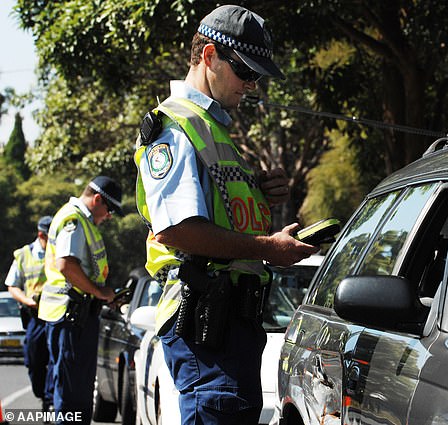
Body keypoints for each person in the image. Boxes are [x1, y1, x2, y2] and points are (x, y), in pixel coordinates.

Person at [134, 4, 319, 425]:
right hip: (205, 320)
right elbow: (179, 230)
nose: (252, 85)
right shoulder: (175, 127)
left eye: (257, 76)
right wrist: (268, 247)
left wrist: (261, 196)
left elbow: (218, 214)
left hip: (230, 320)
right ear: (209, 56)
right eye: (245, 71)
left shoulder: (212, 127)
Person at [37, 176, 122, 425]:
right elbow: (66, 265)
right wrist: (99, 292)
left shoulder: (82, 220)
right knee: (72, 394)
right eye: (110, 210)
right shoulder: (74, 219)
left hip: (76, 317)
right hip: (70, 316)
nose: (109, 217)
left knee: (76, 390)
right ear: (97, 200)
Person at [5, 216, 54, 413]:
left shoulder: (60, 252)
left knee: (56, 359)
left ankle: (51, 401)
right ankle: (42, 393)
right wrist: (27, 301)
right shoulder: (24, 254)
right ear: (42, 235)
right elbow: (12, 285)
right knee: (34, 361)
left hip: (56, 314)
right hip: (34, 316)